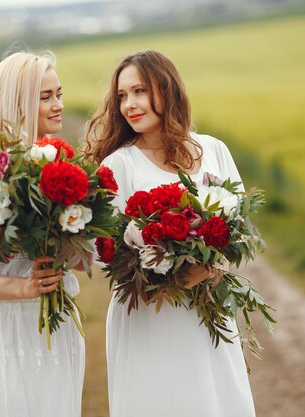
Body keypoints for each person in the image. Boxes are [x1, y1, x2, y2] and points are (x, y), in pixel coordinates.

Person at [84, 50, 256, 417]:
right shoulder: (119, 164)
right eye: (121, 96)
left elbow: (238, 229)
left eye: (140, 91)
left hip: (207, 307)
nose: (129, 104)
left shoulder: (213, 150)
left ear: (167, 89)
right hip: (150, 315)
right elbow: (109, 253)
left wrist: (207, 269)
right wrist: (167, 275)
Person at [0, 51, 84, 417]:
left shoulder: (65, 168)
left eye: (59, 94)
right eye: (45, 97)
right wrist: (26, 287)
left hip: (56, 328)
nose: (58, 105)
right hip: (1, 333)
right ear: (17, 103)